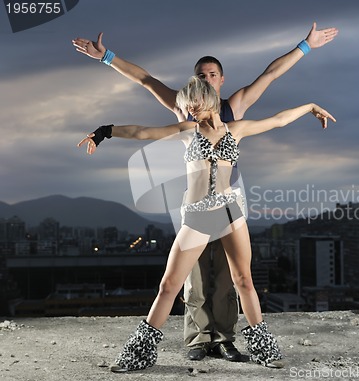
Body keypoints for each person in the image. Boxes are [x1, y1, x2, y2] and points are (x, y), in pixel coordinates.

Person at [72, 23, 338, 362]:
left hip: (230, 208)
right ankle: (184, 341)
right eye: (199, 77)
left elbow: (275, 102)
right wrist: (103, 126)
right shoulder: (186, 120)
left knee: (239, 279)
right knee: (180, 283)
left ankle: (246, 344)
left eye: (211, 76)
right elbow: (144, 105)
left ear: (219, 82)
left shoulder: (236, 114)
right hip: (196, 210)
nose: (203, 83)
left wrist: (308, 76)